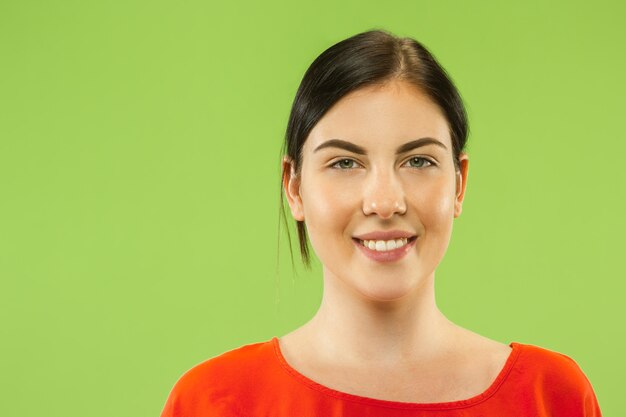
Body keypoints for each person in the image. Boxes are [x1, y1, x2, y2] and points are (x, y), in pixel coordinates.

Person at [160, 29, 602, 416]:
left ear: (459, 183)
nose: (385, 202)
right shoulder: (213, 402)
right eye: (345, 162)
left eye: (418, 160)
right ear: (293, 187)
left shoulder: (552, 396)